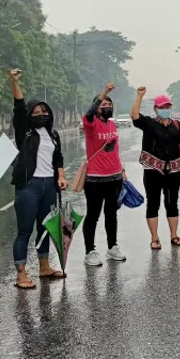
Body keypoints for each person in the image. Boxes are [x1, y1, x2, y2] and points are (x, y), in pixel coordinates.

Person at [9, 69, 68, 290]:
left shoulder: (53, 134)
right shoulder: (24, 132)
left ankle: (44, 267)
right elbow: (19, 106)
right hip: (29, 187)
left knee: (45, 228)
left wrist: (61, 176)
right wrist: (14, 82)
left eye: (44, 111)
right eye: (36, 111)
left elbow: (58, 157)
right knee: (24, 231)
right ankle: (21, 273)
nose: (41, 114)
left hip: (49, 186)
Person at [132, 88, 180, 248]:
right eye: (162, 107)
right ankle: (155, 238)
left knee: (172, 203)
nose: (165, 110)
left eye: (167, 107)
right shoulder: (149, 123)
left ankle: (174, 235)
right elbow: (134, 115)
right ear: (156, 109)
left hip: (173, 171)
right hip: (153, 170)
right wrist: (140, 96)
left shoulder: (176, 125)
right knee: (153, 203)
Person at [81, 83, 126, 266]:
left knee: (111, 214)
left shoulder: (112, 125)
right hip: (95, 179)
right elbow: (89, 113)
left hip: (114, 177)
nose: (108, 107)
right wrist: (105, 92)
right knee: (93, 214)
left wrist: (122, 171)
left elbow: (115, 151)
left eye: (110, 105)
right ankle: (89, 251)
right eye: (103, 105)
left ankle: (112, 247)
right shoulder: (91, 124)